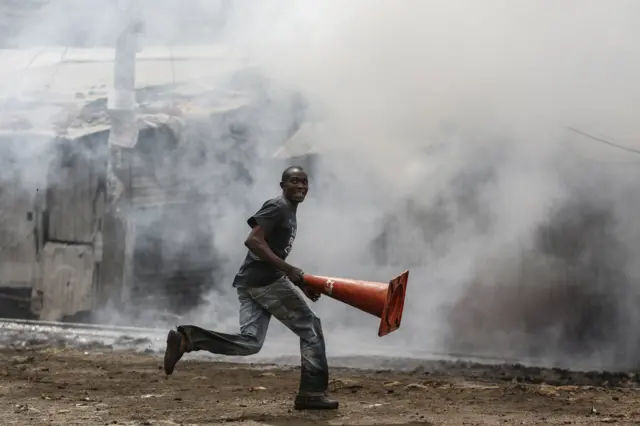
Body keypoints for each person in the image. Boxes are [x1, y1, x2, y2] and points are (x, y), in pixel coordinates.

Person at [163, 166, 339, 410]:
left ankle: (187, 339)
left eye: (304, 182)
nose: (300, 186)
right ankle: (312, 393)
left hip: (251, 283)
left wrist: (300, 282)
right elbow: (253, 241)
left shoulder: (288, 211)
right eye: (294, 181)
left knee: (251, 343)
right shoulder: (278, 207)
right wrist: (289, 270)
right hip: (264, 282)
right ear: (282, 185)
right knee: (311, 328)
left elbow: (270, 253)